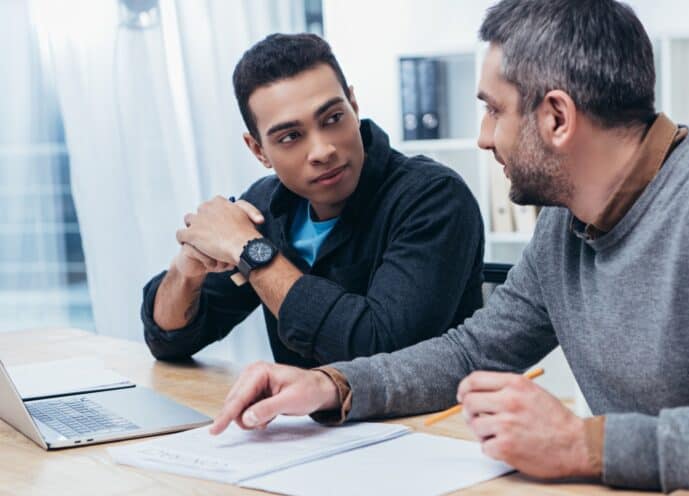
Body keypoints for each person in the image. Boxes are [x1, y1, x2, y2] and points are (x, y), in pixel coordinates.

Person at [206, 0, 689, 495]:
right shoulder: (565, 224)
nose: (481, 135)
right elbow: (473, 351)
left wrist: (586, 444)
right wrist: (332, 384)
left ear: (556, 117)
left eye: (494, 109)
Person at [140, 33, 485, 368]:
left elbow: (382, 354)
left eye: (333, 119)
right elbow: (170, 341)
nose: (323, 151)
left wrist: (251, 251)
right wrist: (188, 266)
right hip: (304, 425)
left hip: (428, 425)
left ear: (354, 104)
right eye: (290, 136)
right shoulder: (263, 206)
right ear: (258, 150)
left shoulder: (434, 197)